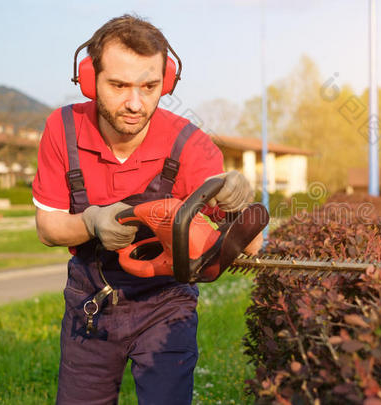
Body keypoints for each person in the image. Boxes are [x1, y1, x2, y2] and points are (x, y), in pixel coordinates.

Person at [32, 14, 260, 404]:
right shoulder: (63, 129)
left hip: (166, 302)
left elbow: (249, 249)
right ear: (90, 80)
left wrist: (239, 206)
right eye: (119, 85)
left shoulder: (190, 144)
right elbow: (48, 227)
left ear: (166, 82)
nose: (135, 103)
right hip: (92, 298)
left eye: (149, 86)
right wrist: (91, 221)